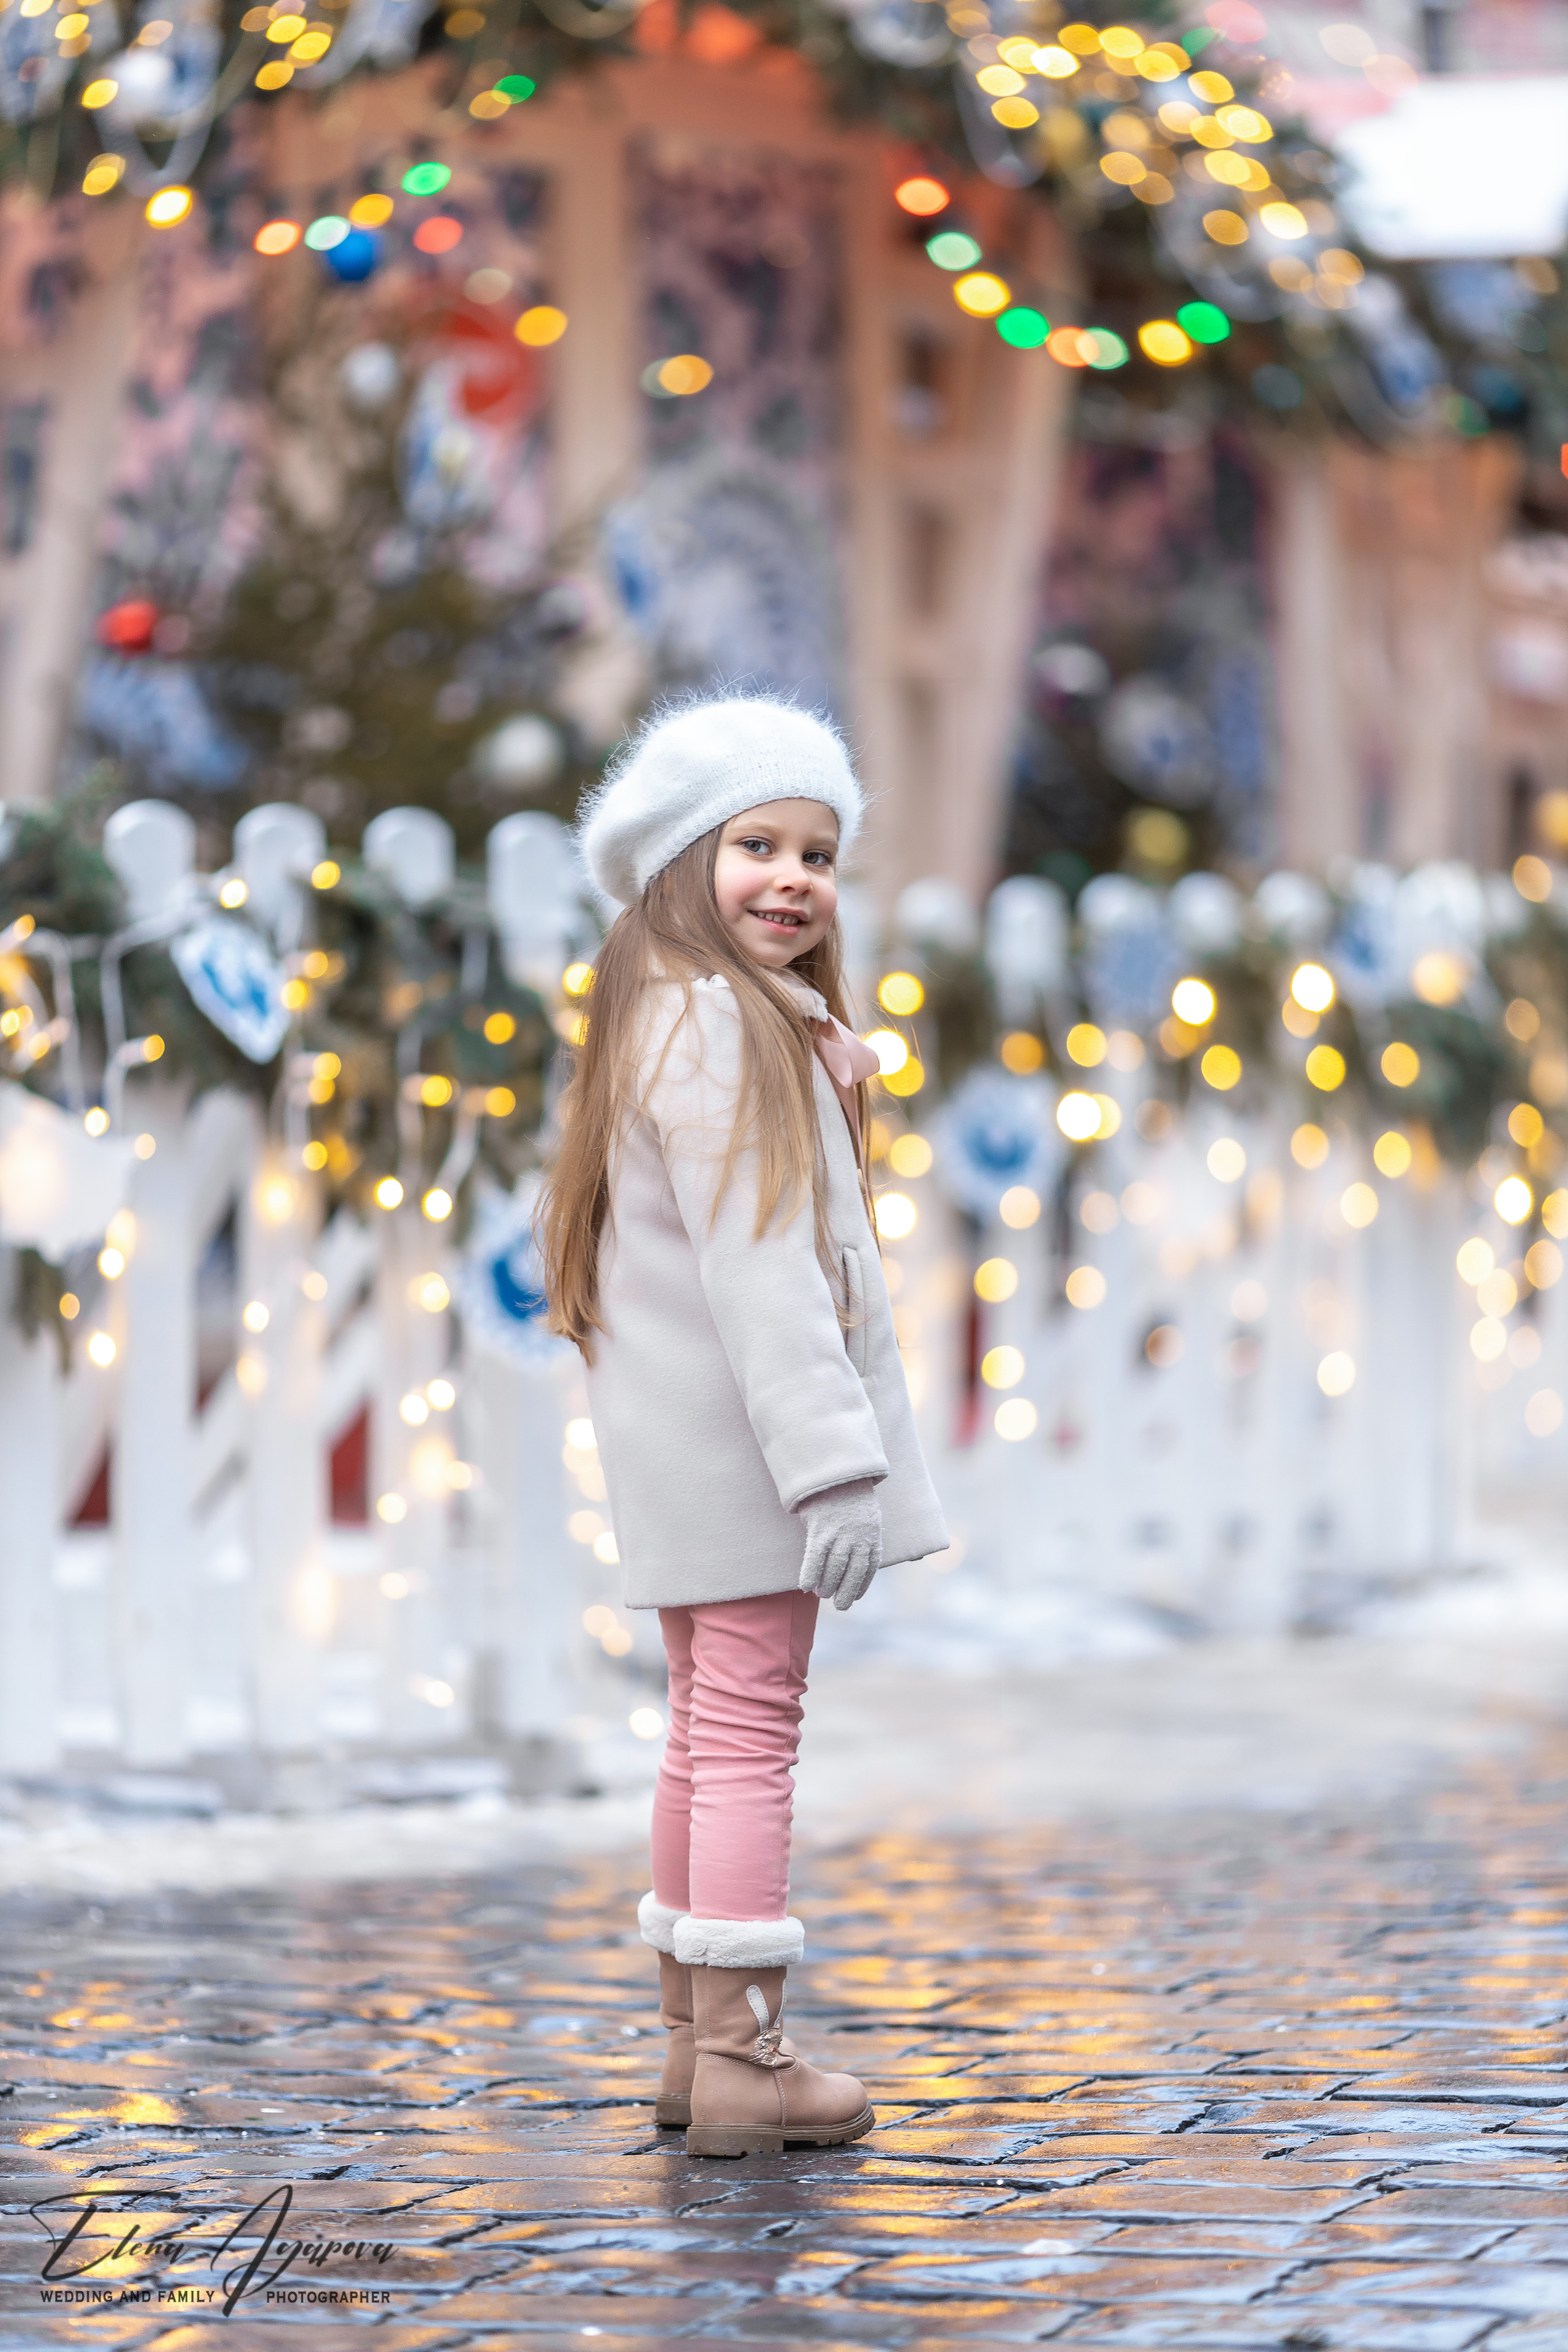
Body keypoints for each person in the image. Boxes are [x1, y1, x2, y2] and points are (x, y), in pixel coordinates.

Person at [540, 693, 948, 2159]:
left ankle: (689, 2050)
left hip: (690, 1444)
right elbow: (765, 1268)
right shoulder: (717, 1029)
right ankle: (740, 2058)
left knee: (704, 1726)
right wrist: (832, 1468)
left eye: (816, 855)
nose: (792, 879)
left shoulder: (678, 1012)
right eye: (755, 846)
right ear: (676, 861)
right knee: (746, 1731)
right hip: (750, 1451)